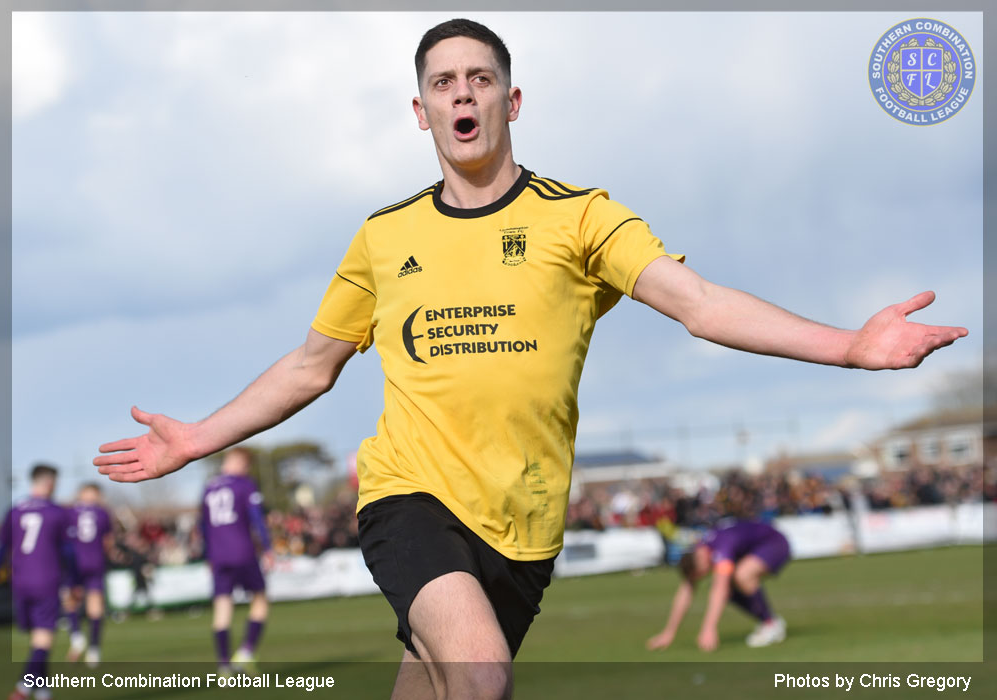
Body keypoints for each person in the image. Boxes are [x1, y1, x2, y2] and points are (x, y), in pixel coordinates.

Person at [94, 18, 968, 700]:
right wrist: (197, 438)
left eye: (480, 79)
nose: (462, 94)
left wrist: (849, 348)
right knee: (480, 677)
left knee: (440, 687)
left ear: (512, 101)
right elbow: (310, 365)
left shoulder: (581, 218)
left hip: (523, 525)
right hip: (410, 495)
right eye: (444, 82)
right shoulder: (384, 235)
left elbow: (700, 306)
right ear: (422, 108)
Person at [646, 520, 791, 653]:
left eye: (702, 573)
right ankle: (770, 622)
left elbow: (719, 588)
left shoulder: (721, 547)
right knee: (730, 585)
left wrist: (708, 628)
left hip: (775, 543)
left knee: (741, 576)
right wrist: (669, 632)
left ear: (702, 560)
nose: (705, 575)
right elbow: (686, 591)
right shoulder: (701, 550)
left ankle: (770, 624)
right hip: (757, 547)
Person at [0, 464, 75, 700]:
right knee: (43, 639)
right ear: (50, 482)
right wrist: (74, 581)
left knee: (37, 639)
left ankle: (43, 692)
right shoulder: (56, 512)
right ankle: (23, 688)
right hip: (46, 579)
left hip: (20, 582)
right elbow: (68, 551)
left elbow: (2, 548)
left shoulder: (15, 509)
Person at [201, 447, 272, 674]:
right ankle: (246, 653)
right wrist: (268, 548)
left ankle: (223, 665)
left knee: (222, 608)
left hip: (218, 556)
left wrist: (207, 555)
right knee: (259, 599)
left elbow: (202, 526)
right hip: (242, 551)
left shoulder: (208, 488)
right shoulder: (245, 484)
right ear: (243, 464)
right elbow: (256, 518)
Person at [64, 482, 113, 668]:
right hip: (96, 562)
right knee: (95, 606)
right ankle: (94, 650)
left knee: (71, 602)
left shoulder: (70, 512)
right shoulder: (103, 512)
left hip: (75, 562)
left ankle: (77, 636)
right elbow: (108, 541)